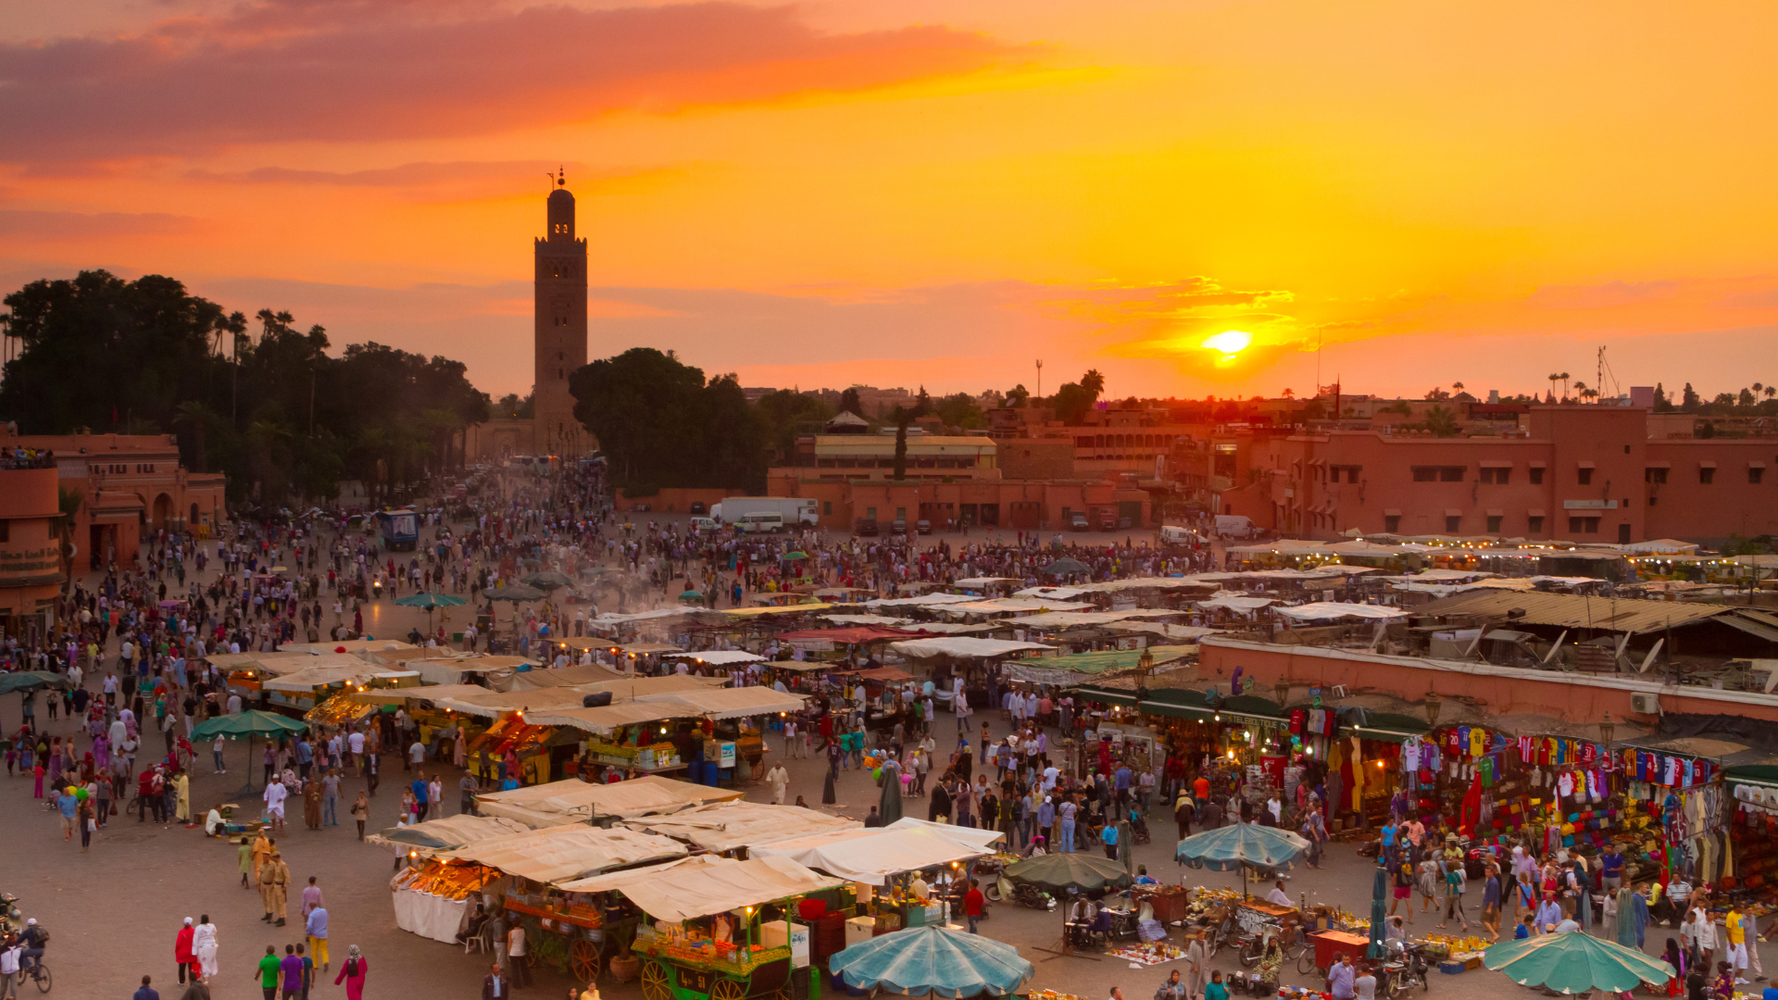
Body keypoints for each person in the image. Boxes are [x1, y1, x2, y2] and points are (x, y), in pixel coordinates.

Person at [193, 916, 218, 983]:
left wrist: (194, 952)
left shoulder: (198, 928)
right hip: (212, 946)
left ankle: (205, 979)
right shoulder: (212, 926)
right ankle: (210, 972)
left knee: (204, 962)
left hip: (203, 947)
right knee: (211, 960)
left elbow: (195, 940)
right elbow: (215, 932)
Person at [305, 902, 329, 973]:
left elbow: (309, 926)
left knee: (314, 949)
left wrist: (308, 932)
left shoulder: (312, 915)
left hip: (314, 935)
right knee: (324, 949)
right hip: (323, 934)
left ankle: (315, 965)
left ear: (311, 907)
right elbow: (327, 919)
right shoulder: (324, 911)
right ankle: (325, 961)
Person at [507, 920, 530, 987]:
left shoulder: (511, 933)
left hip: (513, 953)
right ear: (519, 923)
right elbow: (527, 938)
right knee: (524, 968)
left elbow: (509, 943)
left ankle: (516, 984)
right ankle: (528, 981)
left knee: (515, 969)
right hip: (521, 952)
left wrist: (508, 952)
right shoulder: (523, 931)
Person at [175, 917, 197, 984]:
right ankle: (192, 981)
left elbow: (178, 944)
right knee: (191, 968)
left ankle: (181, 981)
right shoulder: (194, 931)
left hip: (182, 953)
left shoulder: (181, 932)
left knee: (181, 968)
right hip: (192, 953)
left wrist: (177, 951)